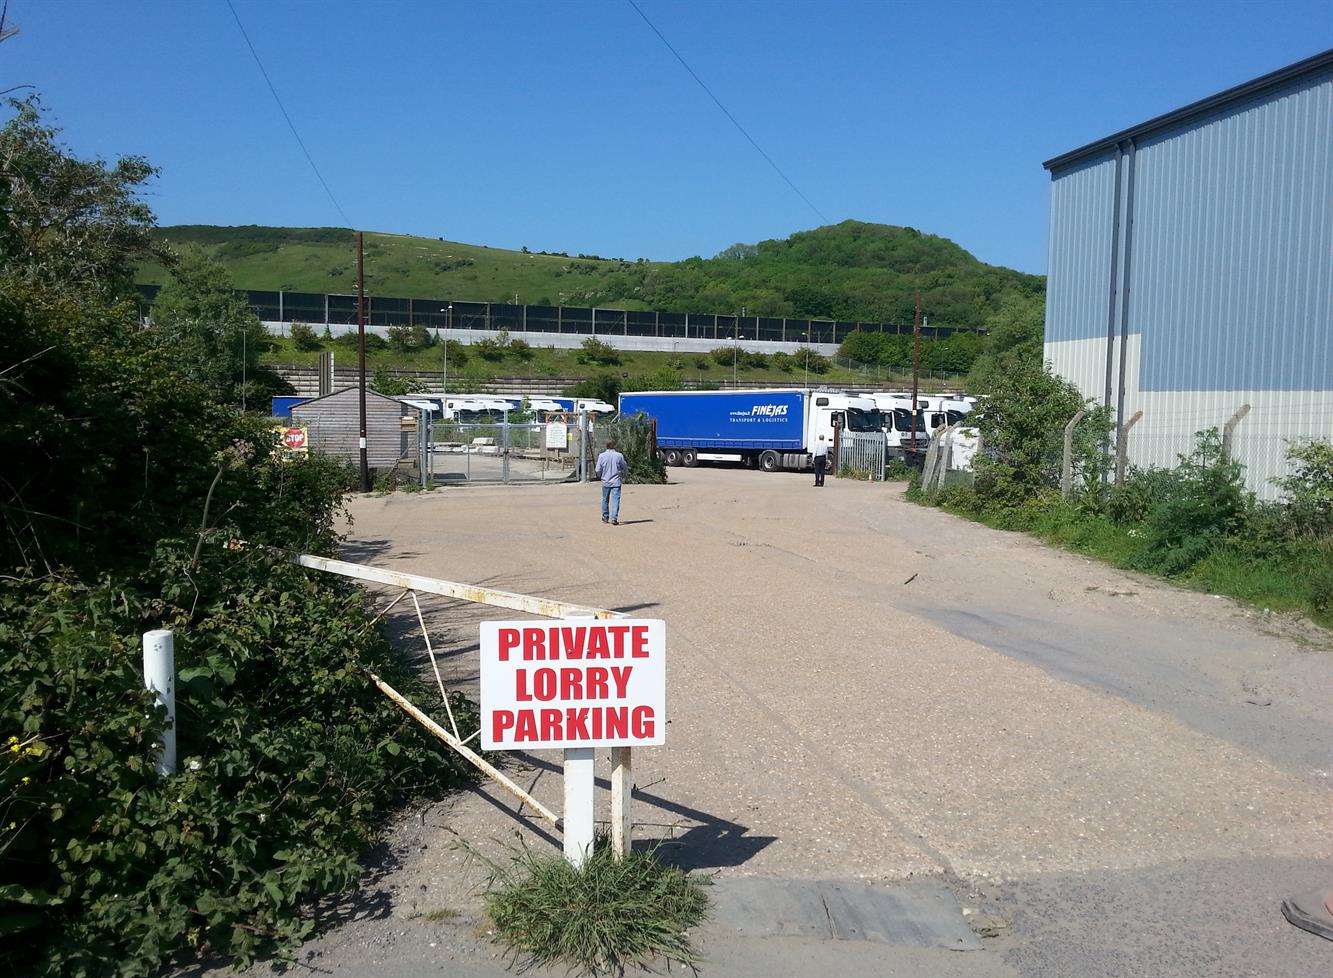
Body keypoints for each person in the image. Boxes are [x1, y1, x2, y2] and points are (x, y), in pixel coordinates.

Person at [595, 438, 628, 524]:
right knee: (616, 499)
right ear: (614, 446)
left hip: (605, 481)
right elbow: (624, 466)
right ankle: (614, 518)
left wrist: (600, 476)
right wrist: (624, 474)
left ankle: (605, 517)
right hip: (616, 481)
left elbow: (598, 469)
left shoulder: (601, 456)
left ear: (606, 446)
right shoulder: (619, 455)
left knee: (605, 499)